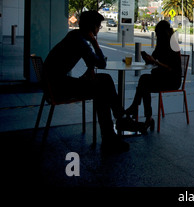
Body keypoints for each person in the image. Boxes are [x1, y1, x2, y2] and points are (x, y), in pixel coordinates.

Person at [43, 10, 135, 153]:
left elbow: (91, 62)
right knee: (104, 82)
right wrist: (95, 42)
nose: (99, 29)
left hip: (54, 83)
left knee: (102, 85)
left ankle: (112, 133)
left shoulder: (74, 37)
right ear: (92, 27)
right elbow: (101, 64)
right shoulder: (80, 41)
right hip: (58, 87)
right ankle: (116, 126)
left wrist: (91, 63)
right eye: (98, 26)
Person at [125, 20, 182, 132]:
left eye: (158, 33)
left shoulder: (173, 45)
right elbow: (154, 58)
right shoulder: (161, 44)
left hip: (172, 80)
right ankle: (145, 115)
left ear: (163, 33)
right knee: (144, 81)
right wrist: (148, 59)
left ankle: (139, 110)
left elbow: (172, 68)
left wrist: (155, 62)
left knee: (144, 83)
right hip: (161, 78)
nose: (156, 36)